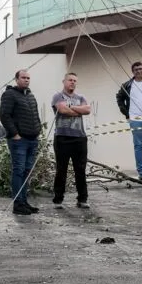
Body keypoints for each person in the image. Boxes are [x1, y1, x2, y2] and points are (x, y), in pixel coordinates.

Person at [0, 69, 42, 216]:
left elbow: (36, 114)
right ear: (16, 79)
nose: (26, 80)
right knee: (18, 170)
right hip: (19, 141)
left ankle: (24, 202)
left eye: (28, 78)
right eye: (23, 77)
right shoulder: (9, 95)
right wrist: (15, 134)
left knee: (27, 171)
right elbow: (4, 115)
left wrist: (38, 129)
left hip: (32, 140)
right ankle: (17, 204)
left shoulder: (30, 95)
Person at [51, 73, 92, 209]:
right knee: (61, 170)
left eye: (75, 81)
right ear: (64, 81)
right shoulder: (58, 96)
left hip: (79, 138)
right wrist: (77, 110)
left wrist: (71, 107)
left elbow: (87, 109)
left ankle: (82, 199)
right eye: (70, 80)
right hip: (62, 138)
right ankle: (58, 200)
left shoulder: (81, 97)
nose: (72, 83)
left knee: (80, 170)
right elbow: (62, 110)